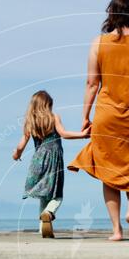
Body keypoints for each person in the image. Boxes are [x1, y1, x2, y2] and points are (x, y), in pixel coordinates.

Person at [68, 0, 129, 241]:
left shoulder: (98, 43)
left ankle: (116, 230)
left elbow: (92, 83)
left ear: (110, 14)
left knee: (108, 171)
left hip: (106, 115)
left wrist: (85, 115)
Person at [13, 90, 90, 238]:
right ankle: (49, 212)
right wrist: (82, 134)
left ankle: (44, 230)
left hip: (37, 161)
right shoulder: (54, 117)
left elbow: (20, 146)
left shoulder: (30, 122)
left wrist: (16, 155)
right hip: (54, 160)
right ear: (47, 105)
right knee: (56, 195)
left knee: (44, 195)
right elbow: (64, 134)